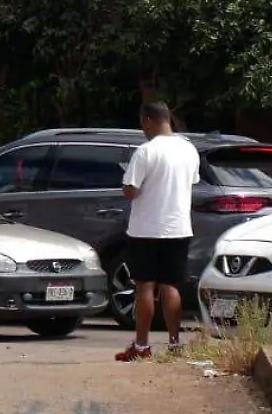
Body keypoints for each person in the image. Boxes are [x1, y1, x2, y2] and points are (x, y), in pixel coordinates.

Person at [116, 101, 201, 361]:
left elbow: (130, 189)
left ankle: (142, 346)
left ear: (148, 120)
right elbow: (192, 181)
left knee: (144, 287)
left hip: (146, 229)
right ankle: (175, 344)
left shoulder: (146, 151)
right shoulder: (189, 149)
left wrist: (138, 189)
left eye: (142, 122)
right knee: (170, 286)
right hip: (178, 228)